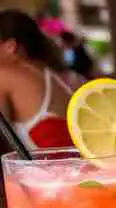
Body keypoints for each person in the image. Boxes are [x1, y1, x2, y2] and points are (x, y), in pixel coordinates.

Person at [0, 10, 74, 151]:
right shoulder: (50, 75)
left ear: (10, 47)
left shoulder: (5, 75)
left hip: (44, 171)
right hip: (73, 169)